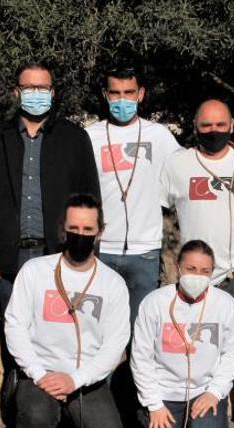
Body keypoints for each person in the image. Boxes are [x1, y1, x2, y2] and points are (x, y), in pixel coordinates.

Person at [0, 61, 101, 428]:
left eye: (43, 86)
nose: (36, 93)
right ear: (16, 92)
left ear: (53, 91)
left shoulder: (74, 139)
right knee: (17, 344)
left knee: (61, 341)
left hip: (58, 257)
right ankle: (17, 424)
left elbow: (89, 199)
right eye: (28, 86)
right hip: (12, 260)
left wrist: (85, 252)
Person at [159, 99, 234, 428]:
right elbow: (163, 214)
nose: (213, 131)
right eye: (206, 125)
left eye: (220, 125)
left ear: (232, 126)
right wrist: (170, 265)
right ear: (195, 126)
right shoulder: (177, 165)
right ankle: (203, 412)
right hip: (196, 274)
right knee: (198, 347)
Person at [5, 194, 133, 428]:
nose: (80, 236)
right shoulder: (36, 271)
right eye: (74, 228)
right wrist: (39, 374)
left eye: (88, 230)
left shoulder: (112, 283)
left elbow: (115, 345)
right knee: (36, 413)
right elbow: (15, 326)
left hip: (86, 379)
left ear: (100, 232)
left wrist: (74, 379)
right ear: (63, 229)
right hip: (42, 376)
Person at [131, 240, 234, 428]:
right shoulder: (155, 303)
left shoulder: (225, 305)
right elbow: (141, 357)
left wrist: (215, 392)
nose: (198, 276)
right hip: (164, 396)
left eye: (205, 271)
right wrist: (154, 405)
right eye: (191, 269)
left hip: (203, 392)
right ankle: (152, 427)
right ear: (178, 267)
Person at [85, 66, 182, 323]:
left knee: (140, 328)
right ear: (105, 95)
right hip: (101, 250)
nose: (122, 100)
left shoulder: (159, 136)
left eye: (129, 92)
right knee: (101, 327)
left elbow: (190, 167)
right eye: (115, 93)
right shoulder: (90, 137)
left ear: (140, 94)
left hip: (145, 251)